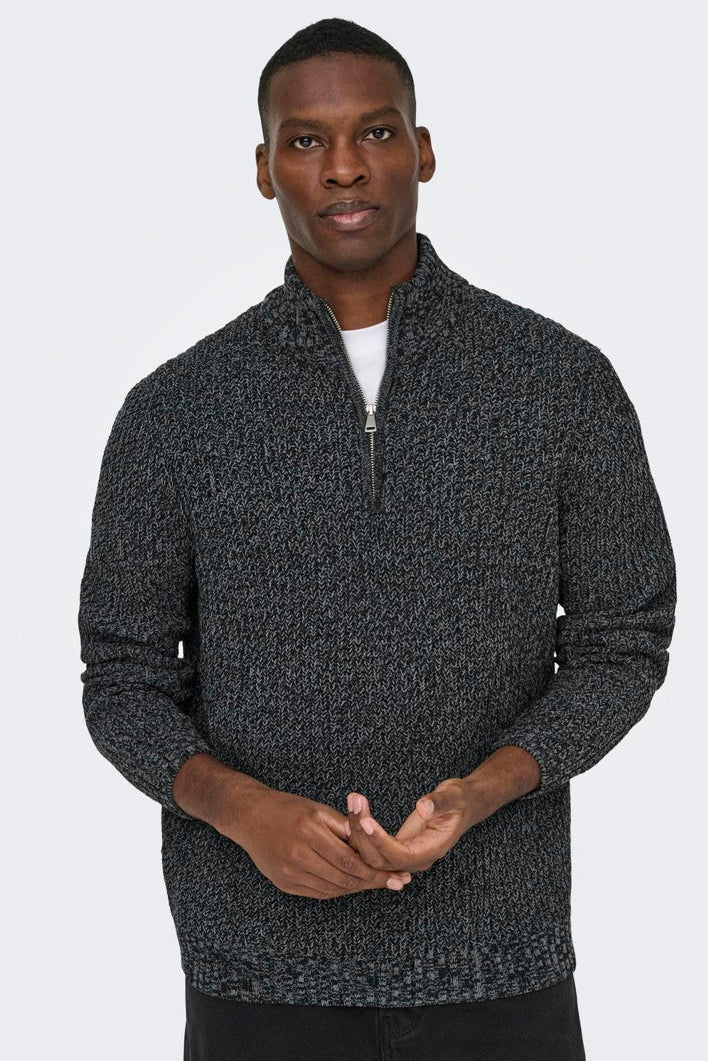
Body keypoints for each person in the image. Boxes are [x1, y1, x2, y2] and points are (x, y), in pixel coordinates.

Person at [77, 17, 677, 1061]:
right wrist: (246, 811)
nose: (345, 166)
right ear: (264, 169)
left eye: (377, 131)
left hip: (500, 956)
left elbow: (624, 640)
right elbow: (122, 677)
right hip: (255, 967)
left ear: (424, 151)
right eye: (305, 140)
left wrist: (486, 787)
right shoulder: (175, 411)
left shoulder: (558, 381)